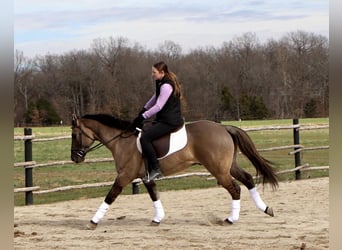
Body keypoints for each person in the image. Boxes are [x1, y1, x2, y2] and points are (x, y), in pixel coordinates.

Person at [132, 61, 184, 181]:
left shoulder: (166, 86)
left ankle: (156, 169)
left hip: (170, 121)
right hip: (164, 119)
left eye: (154, 72)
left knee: (145, 138)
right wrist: (144, 109)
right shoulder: (161, 82)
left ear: (162, 72)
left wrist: (143, 116)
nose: (152, 75)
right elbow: (155, 98)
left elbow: (158, 106)